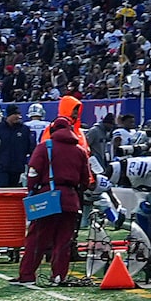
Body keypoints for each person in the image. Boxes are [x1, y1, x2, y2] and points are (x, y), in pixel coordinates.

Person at [18, 108, 92, 288]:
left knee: (38, 238)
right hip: (71, 199)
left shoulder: (45, 147)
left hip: (48, 197)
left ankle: (27, 274)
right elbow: (86, 179)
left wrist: (32, 190)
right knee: (64, 240)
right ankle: (59, 275)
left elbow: (33, 172)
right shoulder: (80, 150)